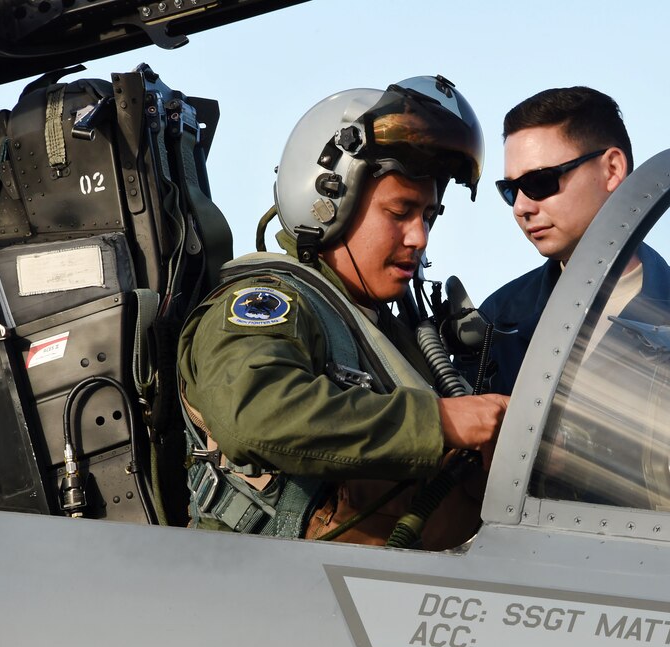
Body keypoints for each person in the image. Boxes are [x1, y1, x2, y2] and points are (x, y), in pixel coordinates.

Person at [178, 76, 509, 548]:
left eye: (429, 217)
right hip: (279, 596)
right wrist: (442, 423)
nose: (419, 238)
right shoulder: (271, 302)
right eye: (400, 212)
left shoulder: (386, 331)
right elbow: (254, 412)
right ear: (328, 204)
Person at [471, 86, 670, 395]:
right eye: (510, 190)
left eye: (539, 182)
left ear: (612, 169)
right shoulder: (497, 320)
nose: (521, 207)